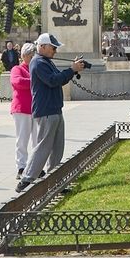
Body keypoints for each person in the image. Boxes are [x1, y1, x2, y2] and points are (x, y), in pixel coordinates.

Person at [16, 33, 85, 192]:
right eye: (53, 47)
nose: (55, 50)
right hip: (46, 110)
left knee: (56, 148)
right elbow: (53, 81)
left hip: (54, 109)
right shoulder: (38, 62)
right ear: (42, 47)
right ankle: (26, 179)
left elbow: (58, 79)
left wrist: (72, 70)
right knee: (43, 146)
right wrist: (72, 69)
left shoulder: (45, 61)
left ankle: (55, 182)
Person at [10, 43, 36, 179]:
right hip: (22, 109)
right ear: (24, 56)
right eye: (31, 56)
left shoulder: (36, 68)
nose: (33, 58)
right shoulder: (17, 68)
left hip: (36, 109)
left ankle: (35, 166)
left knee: (37, 140)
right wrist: (34, 81)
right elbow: (17, 82)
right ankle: (21, 166)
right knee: (22, 139)